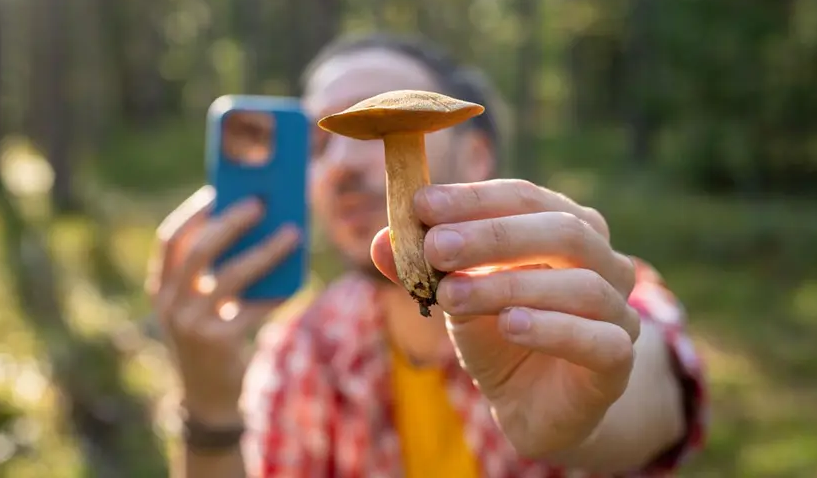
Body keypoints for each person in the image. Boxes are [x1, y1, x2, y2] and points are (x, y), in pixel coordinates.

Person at [147, 32, 707, 477]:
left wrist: (588, 413)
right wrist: (211, 408)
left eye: (365, 127)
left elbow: (654, 387)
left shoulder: (580, 285)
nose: (340, 163)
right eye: (319, 142)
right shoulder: (302, 354)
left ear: (479, 156)